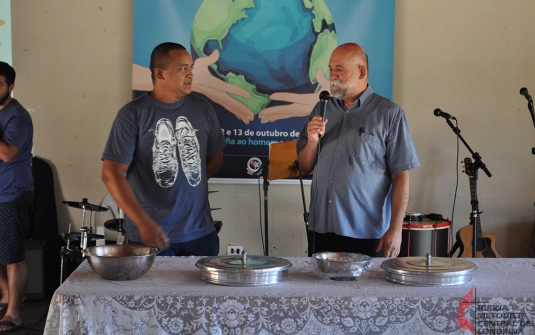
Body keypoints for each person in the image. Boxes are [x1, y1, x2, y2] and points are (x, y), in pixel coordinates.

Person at [102, 42, 226, 255]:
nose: (190, 74)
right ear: (160, 74)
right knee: (155, 290)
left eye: (191, 68)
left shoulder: (202, 108)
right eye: (182, 69)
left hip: (199, 232)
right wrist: (143, 223)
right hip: (149, 236)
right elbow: (111, 174)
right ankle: (166, 159)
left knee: (203, 289)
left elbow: (216, 157)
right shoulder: (132, 114)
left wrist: (190, 182)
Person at [297, 43, 420, 258]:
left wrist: (396, 229)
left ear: (361, 71)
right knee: (320, 291)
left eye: (339, 69)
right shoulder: (321, 109)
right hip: (321, 228)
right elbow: (304, 167)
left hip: (366, 231)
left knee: (365, 291)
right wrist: (312, 142)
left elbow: (401, 175)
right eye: (330, 69)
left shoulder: (390, 114)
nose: (332, 75)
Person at [0, 61, 34, 333]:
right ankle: (6, 295)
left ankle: (14, 314)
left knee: (12, 254)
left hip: (11, 193)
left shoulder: (17, 116)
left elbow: (7, 153)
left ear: (10, 87)